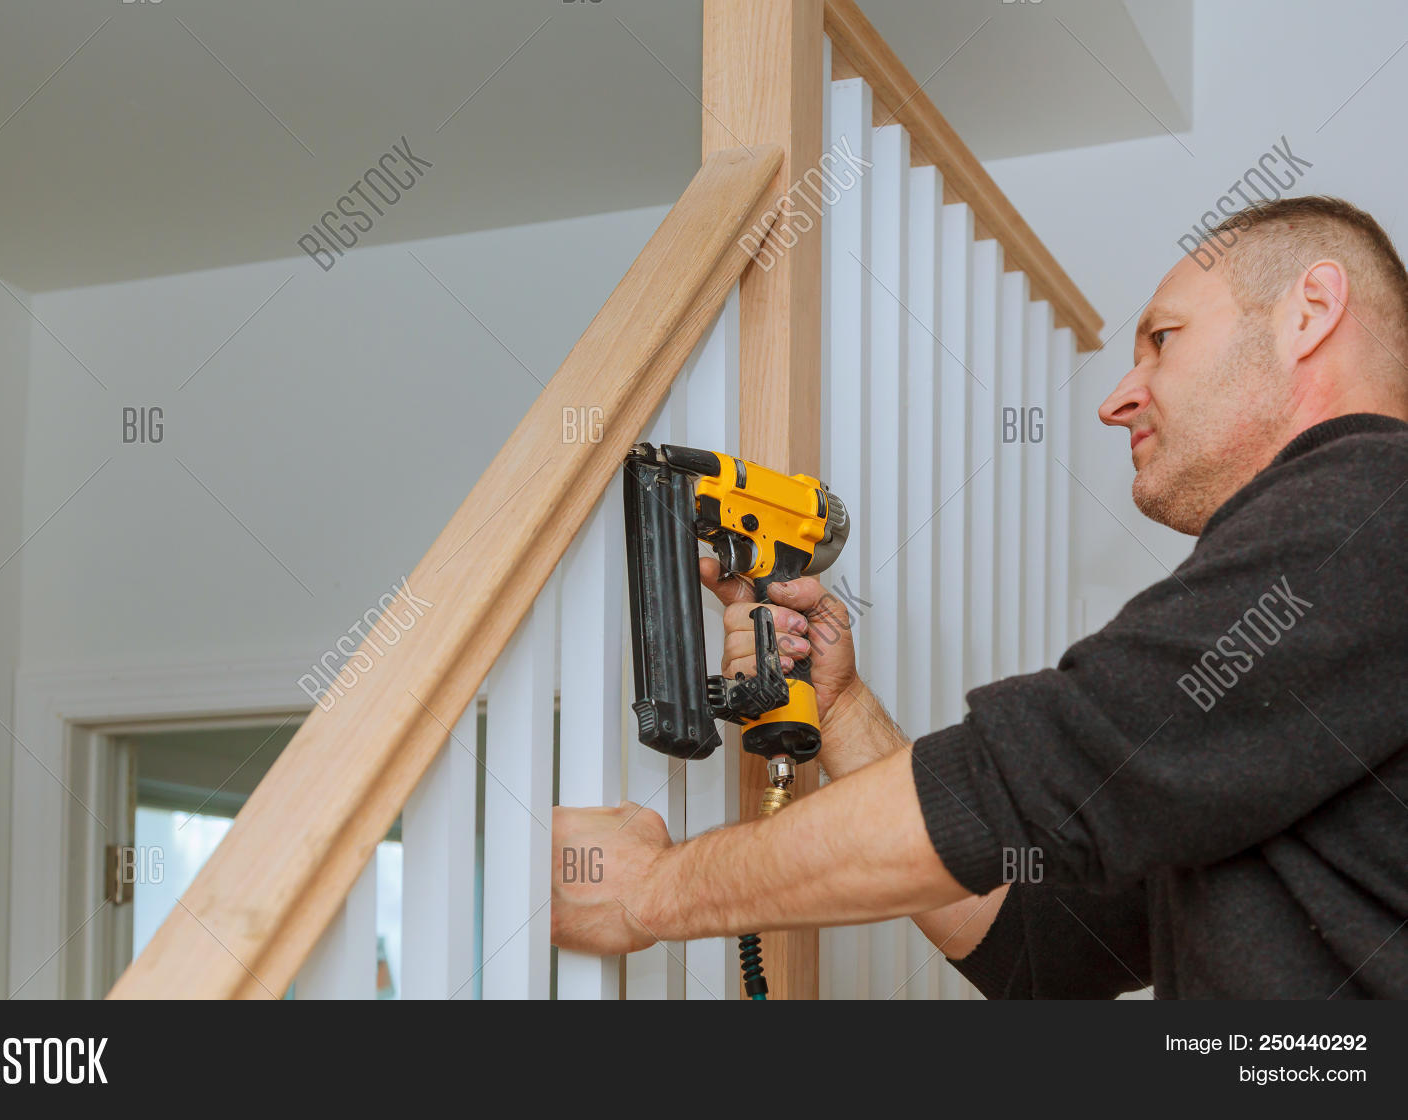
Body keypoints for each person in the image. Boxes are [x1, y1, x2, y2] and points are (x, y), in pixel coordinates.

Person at [550, 195, 1408, 998]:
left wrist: (651, 892)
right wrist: (840, 710)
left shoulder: (1374, 502)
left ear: (1312, 311)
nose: (1119, 400)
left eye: (1163, 340)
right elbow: (1036, 940)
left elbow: (1037, 775)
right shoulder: (1311, 655)